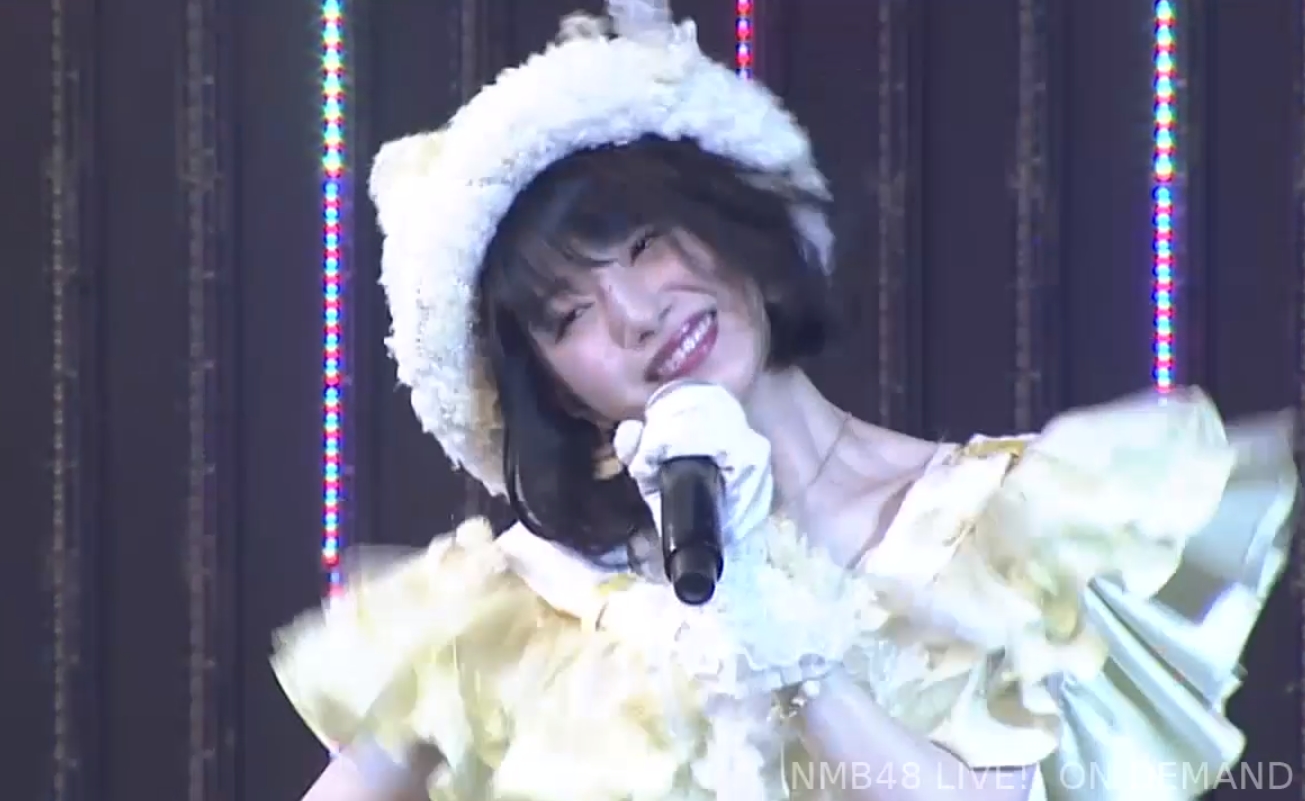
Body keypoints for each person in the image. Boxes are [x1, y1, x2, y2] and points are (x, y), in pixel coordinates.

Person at [272, 2, 1300, 799]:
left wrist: (780, 642)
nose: (635, 312)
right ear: (552, 390)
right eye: (568, 313)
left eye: (644, 244)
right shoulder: (509, 614)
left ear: (739, 230)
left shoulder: (1018, 531)